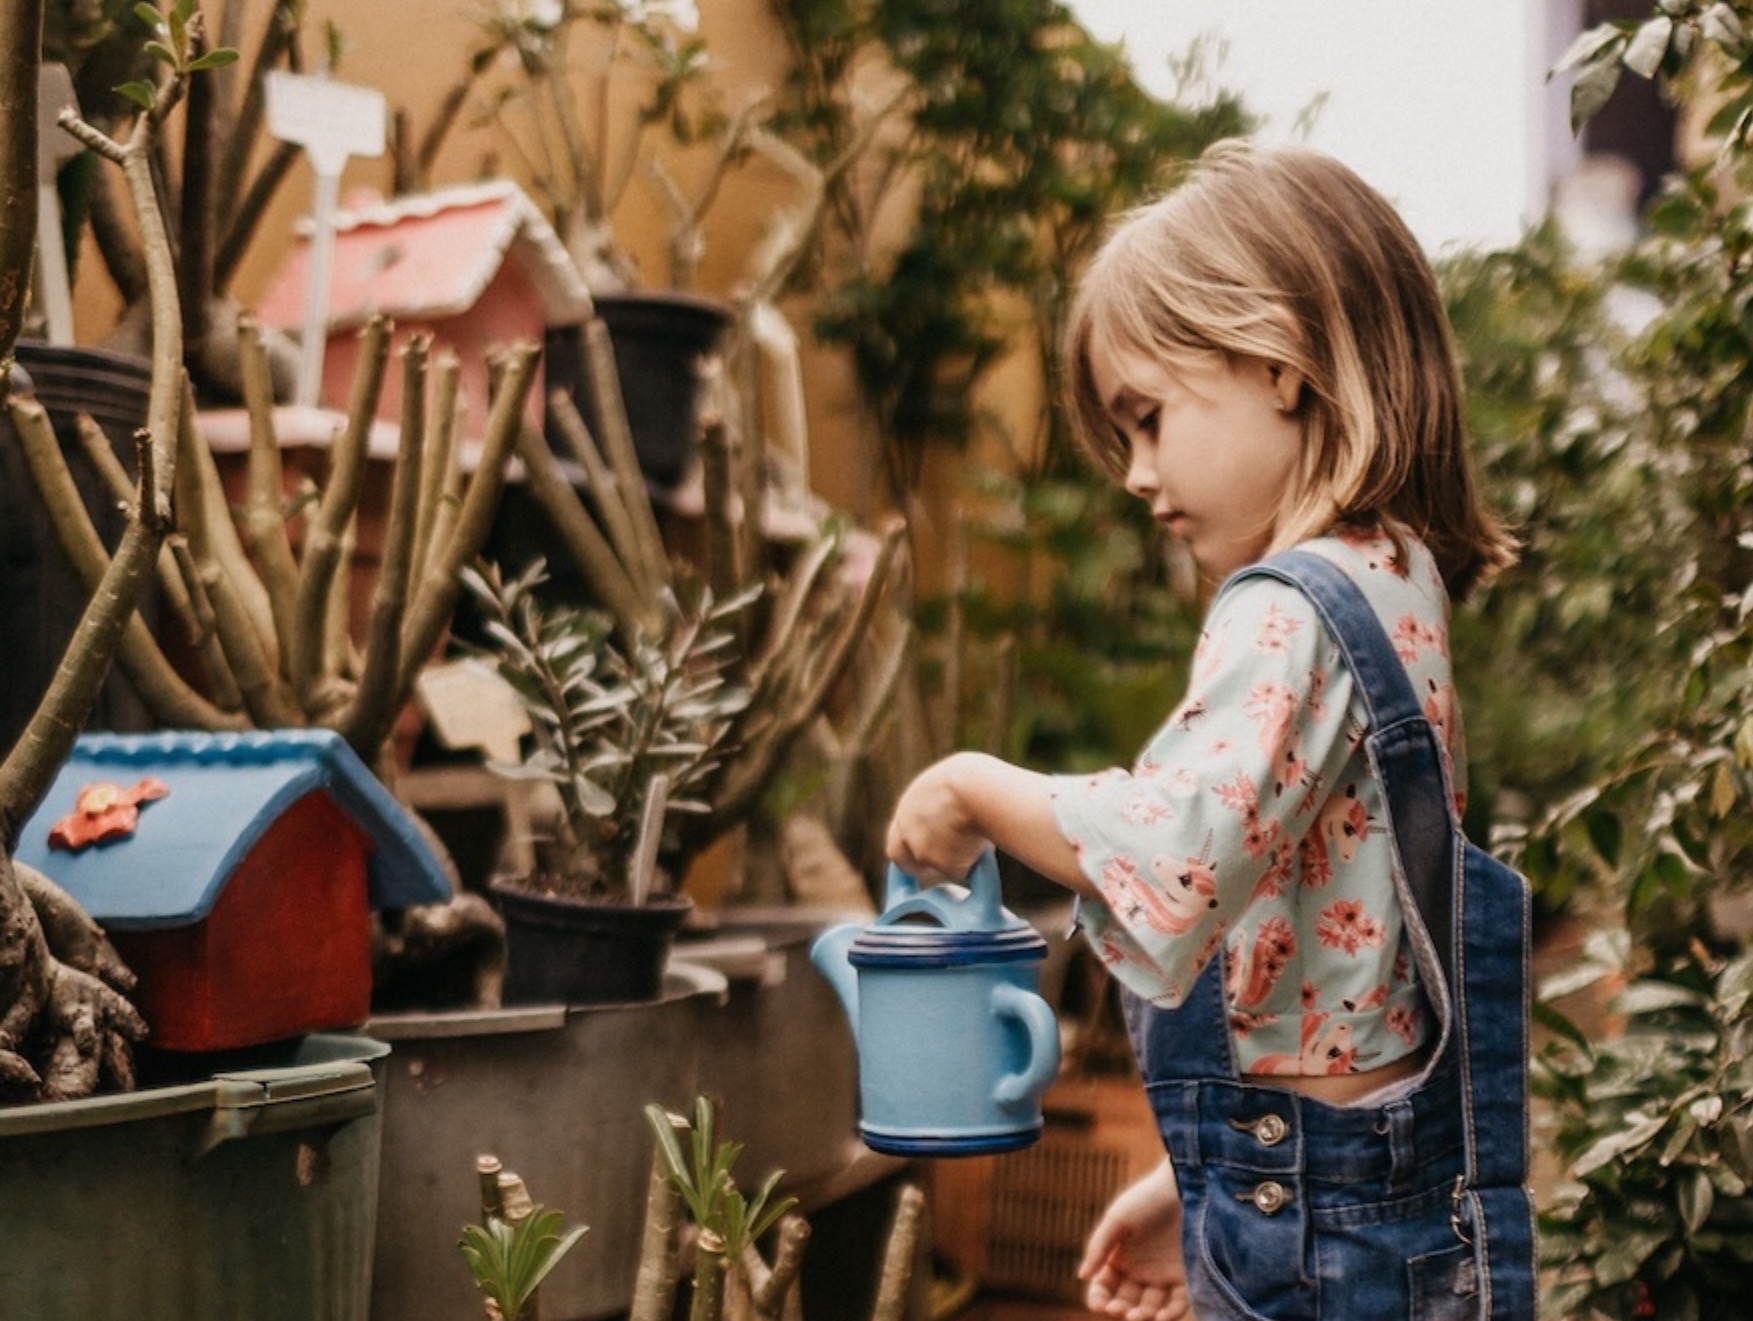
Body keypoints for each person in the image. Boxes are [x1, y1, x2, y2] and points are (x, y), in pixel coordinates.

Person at [885, 139, 1535, 1321]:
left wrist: (970, 785)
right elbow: (1348, 987)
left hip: (1324, 1235)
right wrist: (1200, 1189)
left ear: (1276, 361)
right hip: (1377, 1205)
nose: (1135, 474)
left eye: (1148, 418)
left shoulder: (1289, 606)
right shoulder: (1392, 580)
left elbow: (1172, 857)